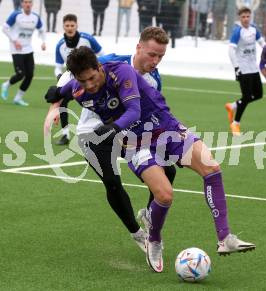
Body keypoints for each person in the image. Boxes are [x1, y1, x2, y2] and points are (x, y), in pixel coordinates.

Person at [50, 46, 256, 272]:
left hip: (166, 128)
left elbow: (133, 111)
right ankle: (154, 240)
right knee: (165, 195)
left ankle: (224, 238)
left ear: (98, 67)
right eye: (83, 80)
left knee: (212, 168)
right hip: (135, 142)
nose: (89, 84)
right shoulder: (79, 88)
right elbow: (62, 90)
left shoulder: (121, 72)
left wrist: (110, 129)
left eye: (91, 78)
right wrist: (54, 98)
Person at [45, 27, 177, 254]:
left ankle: (149, 214)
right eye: (152, 55)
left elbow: (148, 112)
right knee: (112, 181)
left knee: (169, 169)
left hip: (127, 130)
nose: (155, 61)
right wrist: (54, 108)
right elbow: (69, 78)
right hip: (92, 131)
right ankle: (138, 234)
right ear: (139, 48)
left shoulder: (154, 80)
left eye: (161, 57)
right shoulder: (109, 62)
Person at [53, 14, 104, 145]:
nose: (70, 28)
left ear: (76, 25)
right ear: (63, 27)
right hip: (74, 80)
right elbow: (58, 67)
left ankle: (103, 130)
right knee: (62, 101)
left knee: (95, 102)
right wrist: (59, 77)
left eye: (72, 25)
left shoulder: (87, 39)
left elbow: (102, 55)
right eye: (67, 25)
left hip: (92, 79)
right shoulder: (60, 45)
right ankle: (65, 134)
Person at [225, 7, 265, 136]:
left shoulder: (254, 29)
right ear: (240, 18)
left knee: (258, 94)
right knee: (247, 96)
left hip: (253, 68)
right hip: (243, 69)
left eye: (248, 16)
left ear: (250, 17)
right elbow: (231, 51)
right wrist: (236, 68)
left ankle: (233, 105)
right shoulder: (238, 31)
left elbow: (262, 44)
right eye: (243, 17)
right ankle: (235, 124)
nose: (246, 19)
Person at [1, 0, 46, 106]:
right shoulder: (16, 15)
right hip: (16, 49)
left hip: (28, 49)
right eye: (25, 2)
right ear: (22, 4)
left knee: (30, 75)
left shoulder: (35, 17)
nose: (27, 4)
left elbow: (42, 30)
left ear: (32, 4)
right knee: (21, 74)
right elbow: (5, 28)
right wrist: (14, 40)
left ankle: (18, 98)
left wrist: (43, 42)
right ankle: (6, 85)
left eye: (30, 2)